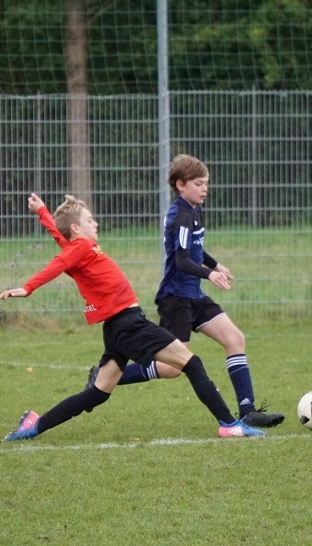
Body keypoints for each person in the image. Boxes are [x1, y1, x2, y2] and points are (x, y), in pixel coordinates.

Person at [0, 193, 265, 441]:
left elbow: (61, 238)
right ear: (77, 229)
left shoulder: (81, 248)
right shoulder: (80, 246)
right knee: (192, 364)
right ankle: (229, 424)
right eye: (90, 220)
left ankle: (34, 425)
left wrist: (43, 212)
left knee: (98, 393)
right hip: (129, 323)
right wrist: (28, 288)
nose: (95, 223)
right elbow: (58, 263)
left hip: (116, 328)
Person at [98, 154, 283, 427]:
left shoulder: (192, 210)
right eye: (198, 183)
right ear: (180, 184)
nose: (204, 188)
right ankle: (103, 377)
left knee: (235, 339)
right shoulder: (181, 216)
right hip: (176, 299)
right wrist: (210, 274)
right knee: (172, 368)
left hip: (194, 295)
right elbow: (182, 260)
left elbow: (194, 249)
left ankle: (248, 411)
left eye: (206, 183)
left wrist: (215, 264)